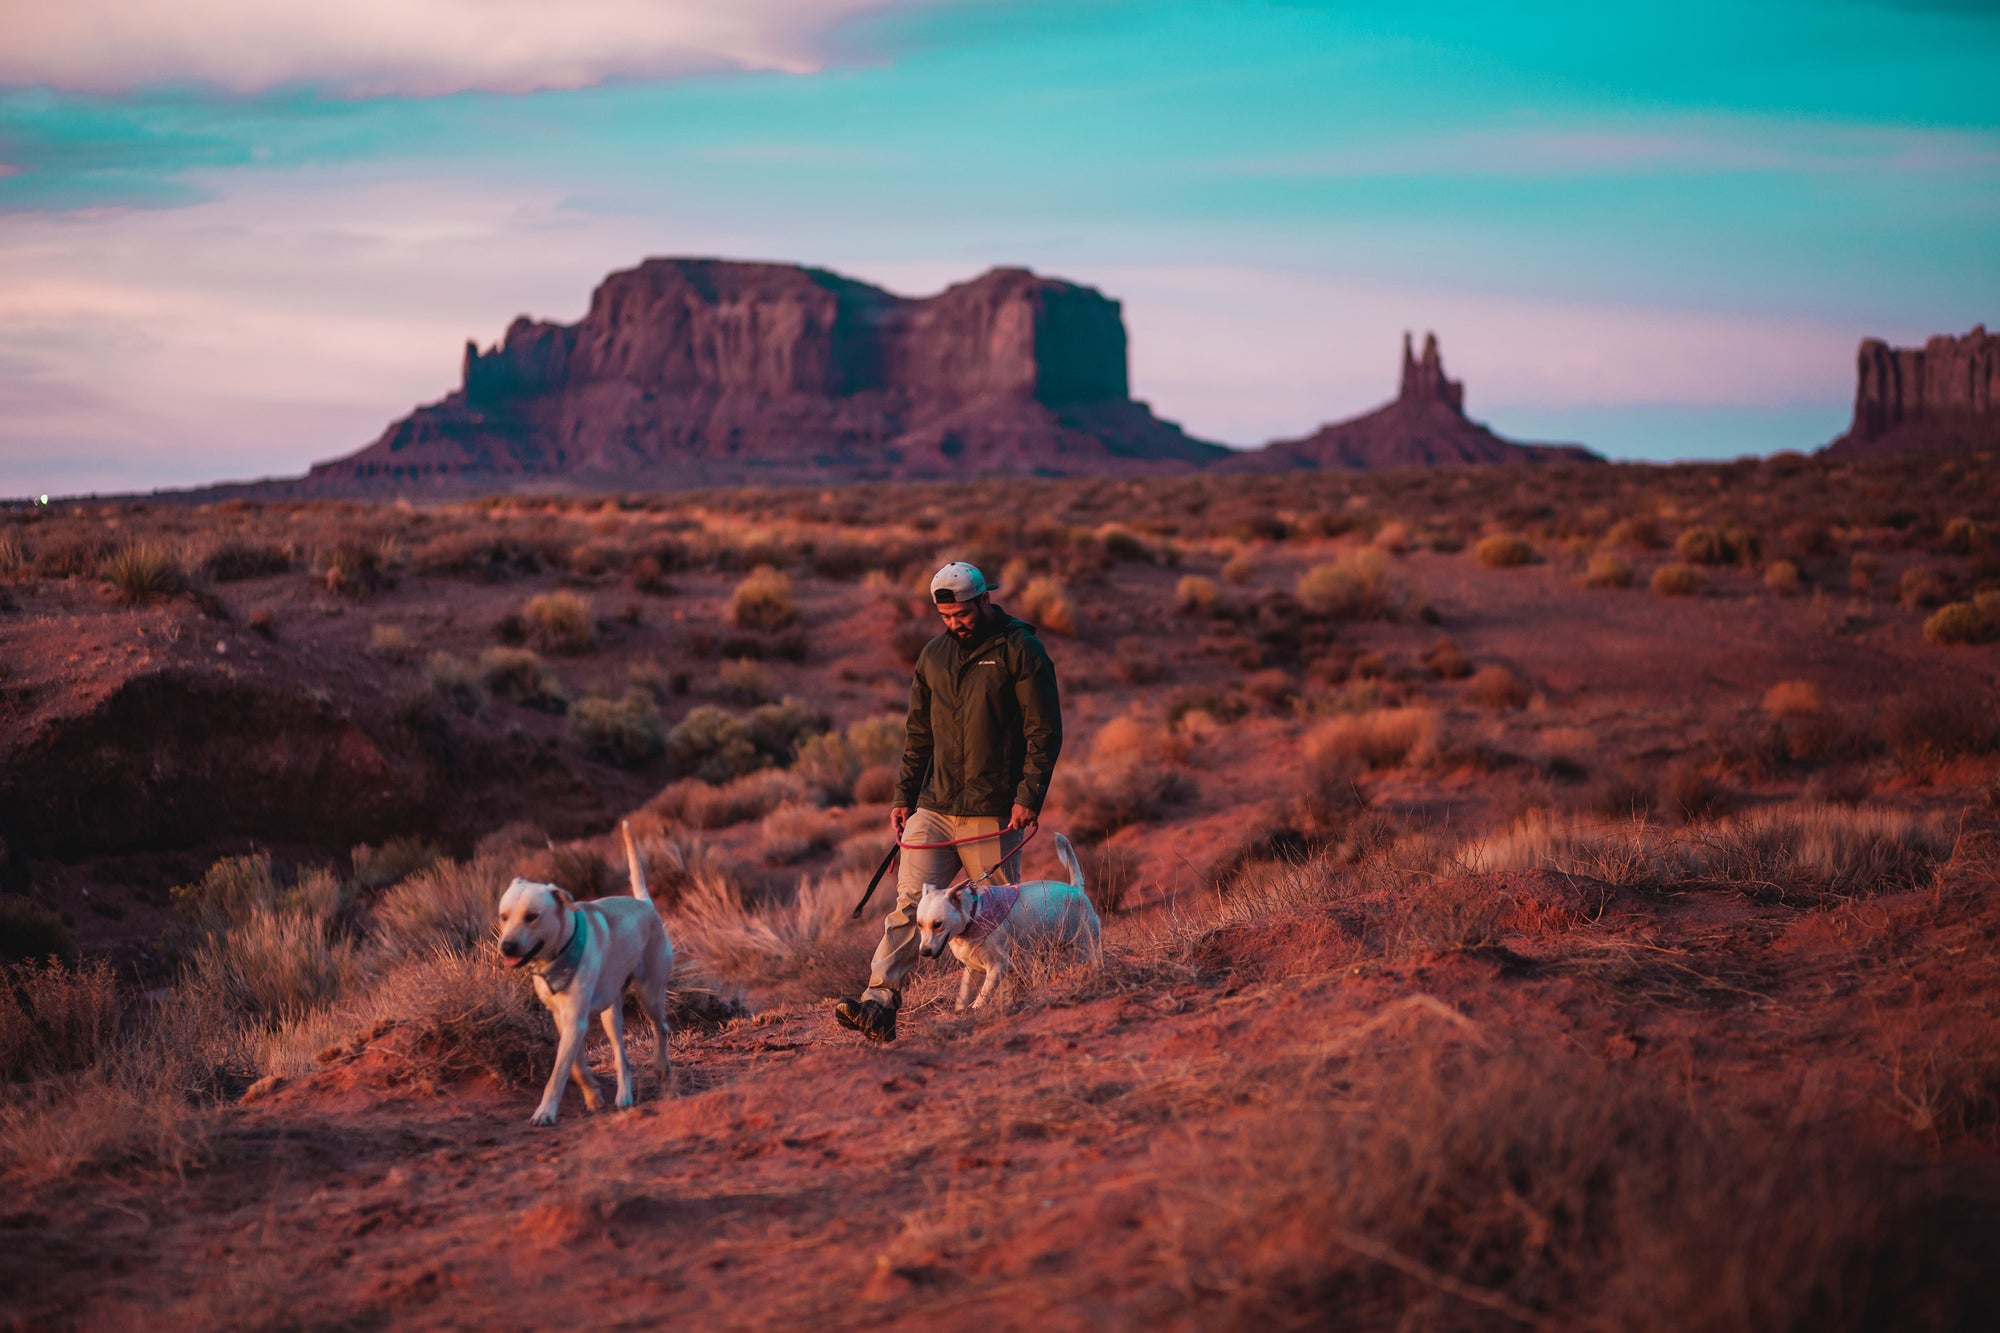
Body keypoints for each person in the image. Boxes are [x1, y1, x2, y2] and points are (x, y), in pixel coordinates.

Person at [834, 561, 1063, 1041]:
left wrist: (1028, 795)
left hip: (993, 810)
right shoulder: (934, 656)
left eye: (961, 613)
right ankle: (878, 1004)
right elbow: (919, 733)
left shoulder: (1022, 650)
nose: (954, 623)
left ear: (982, 600)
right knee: (908, 908)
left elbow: (1044, 731)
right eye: (946, 616)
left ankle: (1009, 1017)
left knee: (1000, 918)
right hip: (934, 807)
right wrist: (905, 796)